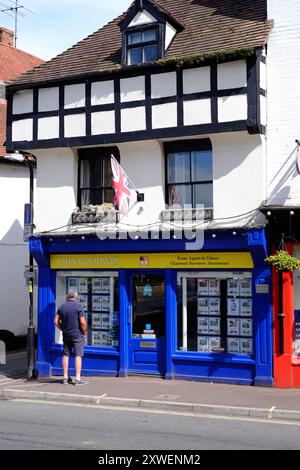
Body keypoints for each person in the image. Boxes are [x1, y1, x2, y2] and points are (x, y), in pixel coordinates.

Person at [54, 292, 88, 385]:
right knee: (78, 355)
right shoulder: (78, 307)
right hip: (77, 335)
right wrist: (84, 332)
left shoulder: (61, 307)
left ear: (67, 297)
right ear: (76, 297)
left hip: (66, 334)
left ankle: (65, 378)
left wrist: (62, 329)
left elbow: (56, 321)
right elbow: (82, 322)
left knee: (66, 354)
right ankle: (77, 379)